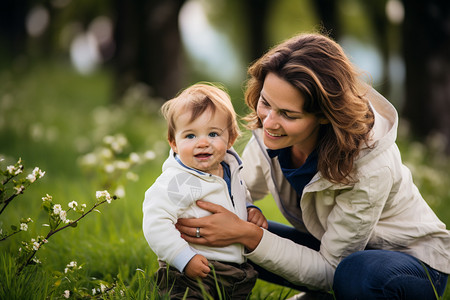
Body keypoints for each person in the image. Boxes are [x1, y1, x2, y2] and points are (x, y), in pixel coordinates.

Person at [175, 33, 450, 299]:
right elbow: (233, 185)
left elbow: (332, 268)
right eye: (266, 103)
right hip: (336, 253)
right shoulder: (270, 136)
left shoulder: (370, 165)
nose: (268, 122)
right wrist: (240, 211)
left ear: (323, 115)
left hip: (408, 265)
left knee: (354, 273)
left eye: (288, 114)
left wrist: (248, 234)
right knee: (212, 228)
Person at [142, 83, 268, 299]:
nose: (202, 143)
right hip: (191, 270)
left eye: (212, 134)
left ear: (231, 138)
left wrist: (250, 208)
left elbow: (237, 196)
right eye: (190, 136)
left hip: (235, 271)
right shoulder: (179, 180)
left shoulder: (231, 169)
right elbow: (155, 221)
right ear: (174, 143)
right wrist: (183, 258)